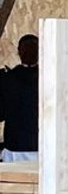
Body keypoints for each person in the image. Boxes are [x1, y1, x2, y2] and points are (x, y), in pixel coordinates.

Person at [0, 31, 39, 159]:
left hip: (36, 145)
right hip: (17, 146)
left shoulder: (7, 78)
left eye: (32, 49)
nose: (29, 53)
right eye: (26, 49)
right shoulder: (7, 78)